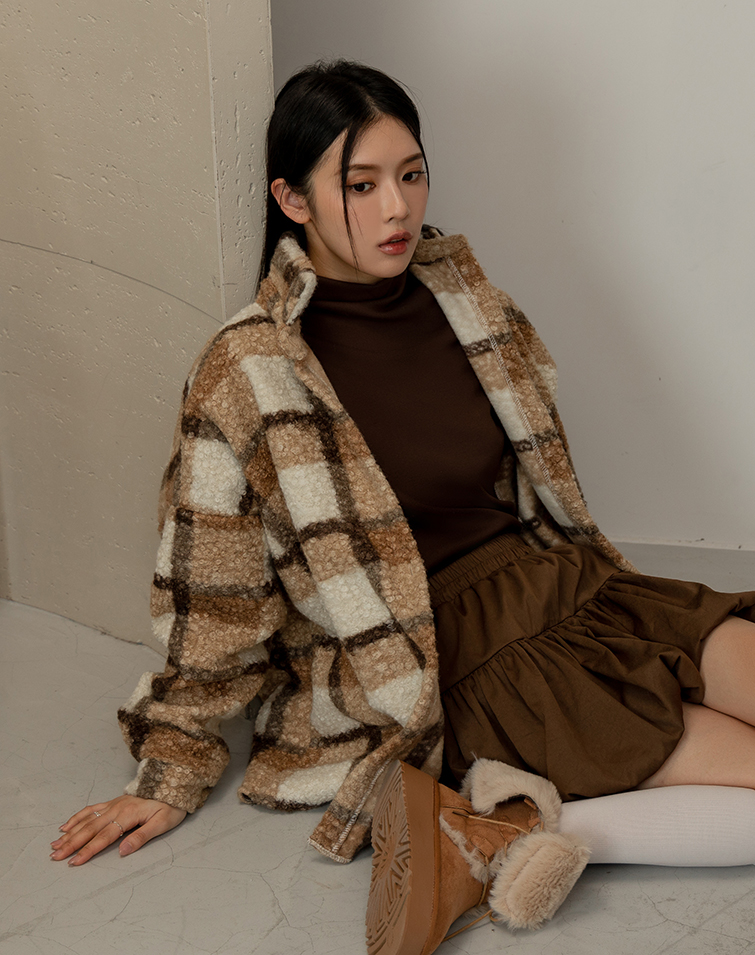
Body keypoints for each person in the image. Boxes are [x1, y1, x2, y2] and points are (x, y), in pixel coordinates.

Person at [51, 59, 755, 950]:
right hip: (446, 649)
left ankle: (497, 822)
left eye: (411, 173)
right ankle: (500, 832)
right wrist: (172, 768)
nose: (397, 207)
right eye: (360, 184)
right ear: (292, 199)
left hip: (568, 588)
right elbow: (214, 594)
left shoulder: (467, 302)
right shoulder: (249, 370)